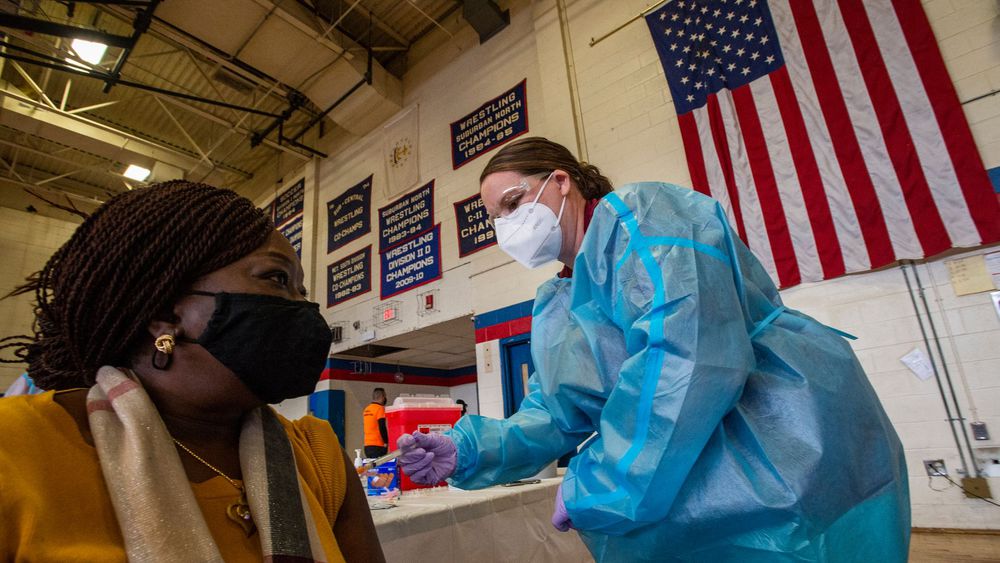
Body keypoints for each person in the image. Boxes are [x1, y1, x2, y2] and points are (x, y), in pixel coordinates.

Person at [396, 137, 910, 562]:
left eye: (513, 203)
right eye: (494, 218)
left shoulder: (641, 217)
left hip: (787, 442)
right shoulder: (559, 301)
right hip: (686, 474)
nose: (506, 225)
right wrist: (473, 447)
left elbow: (689, 354)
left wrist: (600, 482)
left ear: (560, 181)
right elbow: (556, 410)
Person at [0, 181, 384, 562]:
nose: (304, 308)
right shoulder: (16, 448)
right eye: (278, 279)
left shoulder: (318, 455)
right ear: (165, 314)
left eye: (302, 291)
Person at [362, 387, 389, 458]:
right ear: (382, 397)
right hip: (378, 446)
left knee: (372, 468)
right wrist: (386, 442)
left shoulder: (366, 409)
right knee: (379, 468)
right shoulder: (380, 408)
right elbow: (382, 426)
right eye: (385, 396)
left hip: (367, 446)